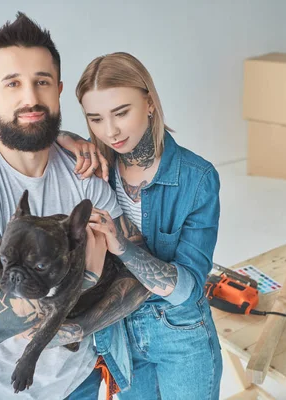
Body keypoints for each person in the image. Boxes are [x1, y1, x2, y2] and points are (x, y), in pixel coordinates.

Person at [0, 14, 150, 400]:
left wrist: (81, 328)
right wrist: (88, 271)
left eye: (41, 82)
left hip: (82, 378)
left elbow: (137, 271)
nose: (30, 98)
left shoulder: (87, 173)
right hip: (2, 392)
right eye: (12, 83)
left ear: (59, 90)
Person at [57, 52, 223, 399]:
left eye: (122, 112)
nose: (111, 130)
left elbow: (188, 288)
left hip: (180, 333)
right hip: (119, 335)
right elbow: (29, 136)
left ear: (149, 102)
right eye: (96, 119)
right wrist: (64, 137)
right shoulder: (98, 172)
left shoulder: (197, 178)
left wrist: (121, 245)